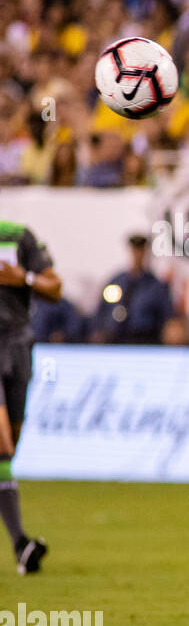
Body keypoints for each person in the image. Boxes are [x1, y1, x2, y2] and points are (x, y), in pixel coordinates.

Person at [0, 221, 63, 574]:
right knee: (2, 444)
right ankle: (21, 543)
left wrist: (22, 278)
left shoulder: (17, 236)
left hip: (18, 346)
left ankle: (20, 547)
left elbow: (55, 287)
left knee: (9, 449)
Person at [90, 233, 178, 344]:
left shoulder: (155, 286)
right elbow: (101, 311)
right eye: (134, 250)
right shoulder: (117, 281)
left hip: (143, 339)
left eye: (140, 250)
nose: (137, 255)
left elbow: (167, 318)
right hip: (115, 339)